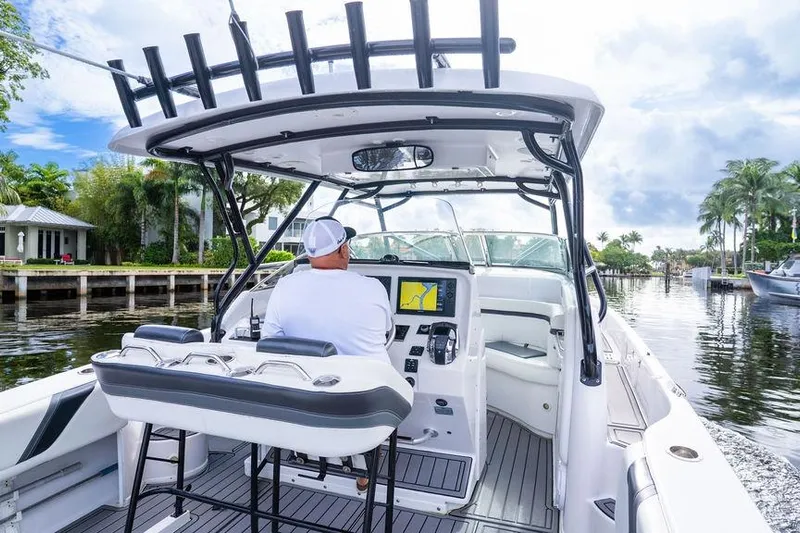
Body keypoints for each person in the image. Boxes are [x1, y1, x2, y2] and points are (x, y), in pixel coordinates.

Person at [261, 216, 393, 363]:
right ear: (344, 250)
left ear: (309, 254)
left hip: (306, 376)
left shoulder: (284, 287)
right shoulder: (373, 288)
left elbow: (270, 341)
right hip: (370, 377)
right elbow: (387, 329)